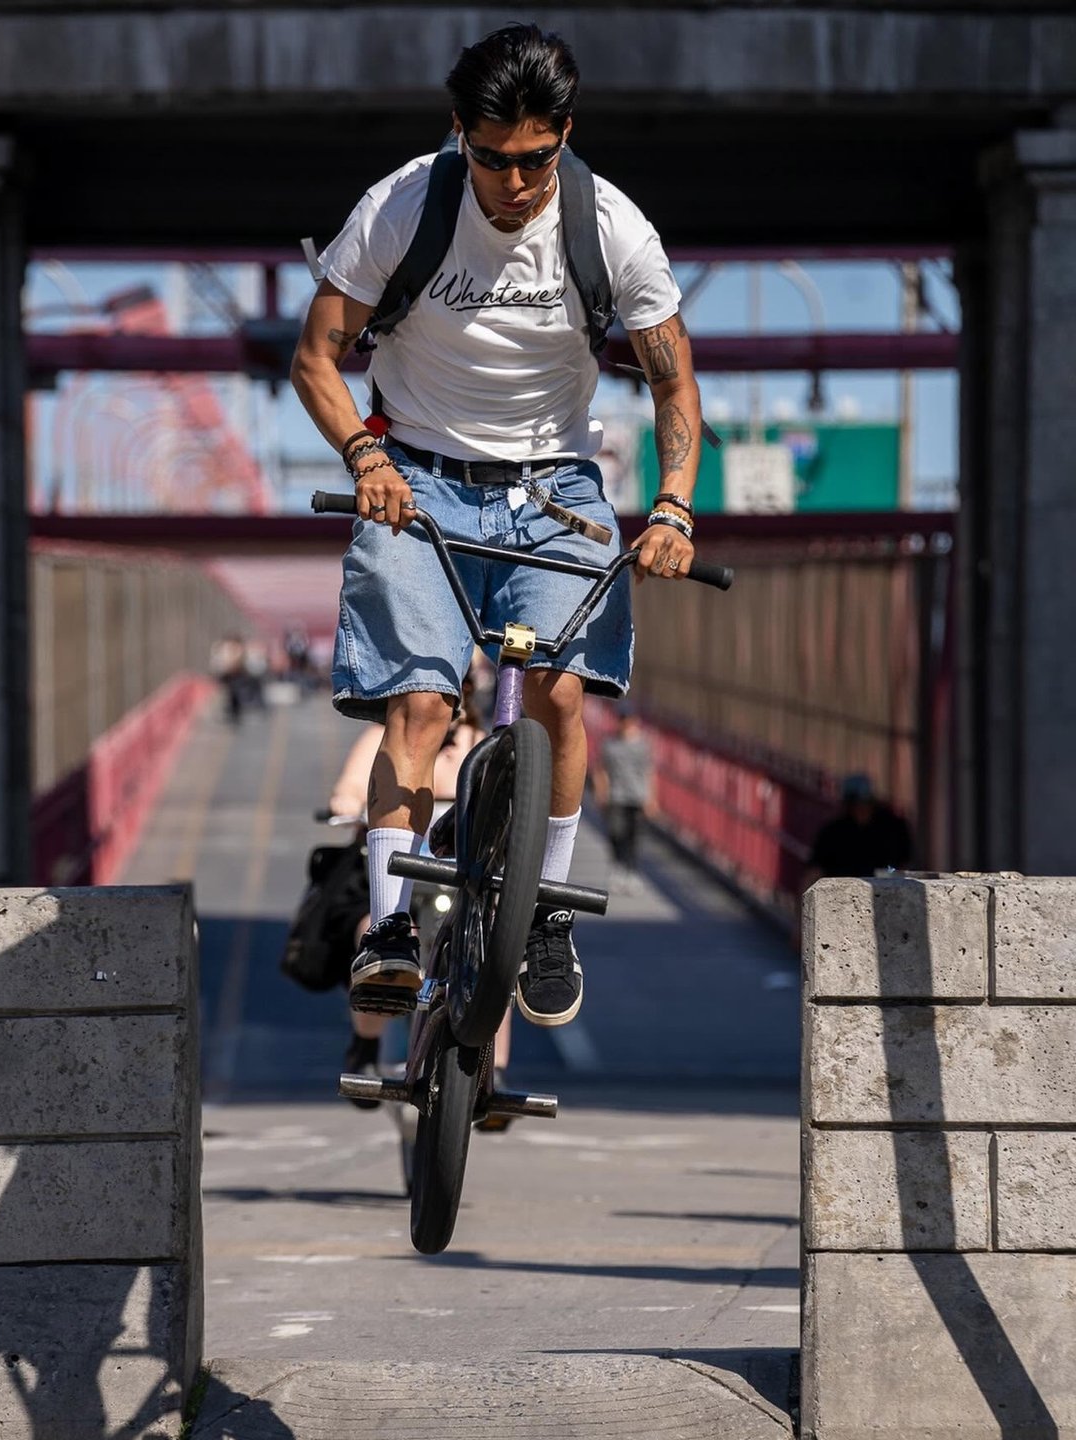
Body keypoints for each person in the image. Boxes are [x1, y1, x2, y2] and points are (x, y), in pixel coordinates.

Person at [291, 23, 701, 1029]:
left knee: (560, 693)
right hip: (415, 478)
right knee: (421, 708)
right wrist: (366, 458)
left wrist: (674, 506)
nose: (514, 184)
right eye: (491, 160)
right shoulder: (400, 210)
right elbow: (315, 360)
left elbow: (673, 381)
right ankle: (389, 929)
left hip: (556, 486)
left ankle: (545, 910)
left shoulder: (612, 231)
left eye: (535, 161)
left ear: (564, 135)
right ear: (458, 136)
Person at [328, 677, 515, 1105]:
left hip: (462, 876)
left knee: (495, 952)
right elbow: (352, 787)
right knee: (370, 930)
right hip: (405, 878)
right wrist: (347, 803)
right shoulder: (385, 736)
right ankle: (366, 1047)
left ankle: (496, 1068)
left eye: (459, 687)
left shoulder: (481, 743)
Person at [804, 773, 915, 882]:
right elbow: (816, 869)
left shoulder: (894, 827)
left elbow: (904, 865)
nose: (861, 809)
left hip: (886, 888)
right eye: (856, 804)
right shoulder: (833, 832)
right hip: (843, 891)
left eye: (865, 803)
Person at [592, 701, 655, 891]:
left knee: (635, 836)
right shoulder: (610, 744)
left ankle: (632, 870)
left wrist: (651, 798)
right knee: (616, 833)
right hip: (616, 796)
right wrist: (600, 791)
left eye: (627, 719)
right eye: (621, 718)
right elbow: (600, 769)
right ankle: (618, 867)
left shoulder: (643, 745)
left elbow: (649, 771)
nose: (624, 722)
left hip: (637, 796)